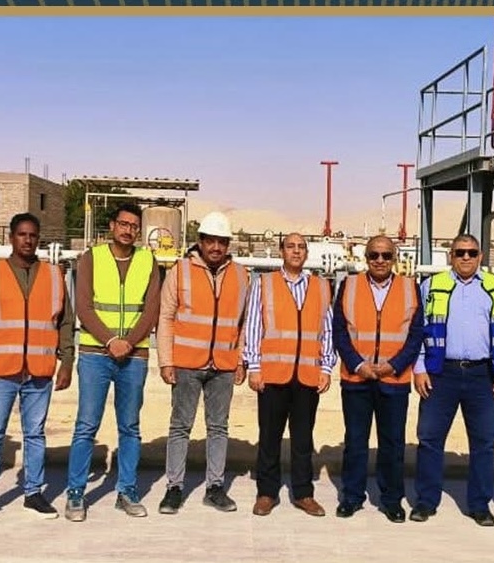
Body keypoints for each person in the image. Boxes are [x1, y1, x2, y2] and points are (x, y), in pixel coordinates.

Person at [0, 213, 75, 524]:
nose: (28, 240)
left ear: (39, 239)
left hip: (39, 371)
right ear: (11, 237)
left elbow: (66, 323)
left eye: (33, 235)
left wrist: (67, 362)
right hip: (0, 371)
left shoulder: (54, 275)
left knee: (35, 434)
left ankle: (33, 493)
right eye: (22, 234)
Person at [65, 202, 161, 522]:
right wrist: (110, 341)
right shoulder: (92, 258)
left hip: (134, 356)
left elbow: (151, 309)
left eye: (134, 226)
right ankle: (76, 492)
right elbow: (84, 307)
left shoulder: (148, 260)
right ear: (112, 226)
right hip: (95, 354)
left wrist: (129, 342)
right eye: (123, 224)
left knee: (130, 427)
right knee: (86, 425)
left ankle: (127, 490)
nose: (128, 230)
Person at [410, 234, 494, 527]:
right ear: (451, 256)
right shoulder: (431, 286)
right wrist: (420, 367)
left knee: (484, 442)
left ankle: (479, 505)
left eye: (471, 252)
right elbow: (420, 330)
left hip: (483, 375)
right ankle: (426, 501)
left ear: (480, 256)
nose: (465, 257)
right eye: (459, 252)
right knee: (429, 439)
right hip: (440, 373)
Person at [156, 211, 251, 515]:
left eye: (221, 242)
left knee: (218, 427)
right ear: (200, 241)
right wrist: (166, 360)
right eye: (210, 241)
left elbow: (244, 323)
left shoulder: (241, 275)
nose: (216, 247)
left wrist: (240, 359)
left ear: (228, 244)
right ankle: (174, 487)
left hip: (224, 364)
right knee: (180, 426)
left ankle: (215, 487)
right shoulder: (180, 271)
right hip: (186, 363)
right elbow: (166, 317)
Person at [331, 235, 424, 523]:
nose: (380, 261)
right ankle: (351, 497)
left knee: (393, 444)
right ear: (366, 258)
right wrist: (358, 365)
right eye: (374, 255)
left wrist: (393, 366)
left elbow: (416, 335)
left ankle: (392, 500)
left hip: (393, 381)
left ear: (394, 258)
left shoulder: (410, 288)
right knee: (355, 442)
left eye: (386, 255)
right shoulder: (349, 286)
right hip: (356, 380)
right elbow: (339, 331)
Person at [243, 232, 335, 518]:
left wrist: (326, 367)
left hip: (308, 375)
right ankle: (266, 493)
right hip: (273, 374)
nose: (296, 251)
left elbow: (327, 329)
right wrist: (254, 366)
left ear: (307, 253)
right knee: (269, 437)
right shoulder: (265, 283)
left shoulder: (321, 286)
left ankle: (304, 493)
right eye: (291, 246)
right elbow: (254, 324)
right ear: (281, 251)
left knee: (303, 439)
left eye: (301, 247)